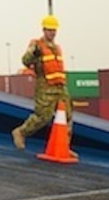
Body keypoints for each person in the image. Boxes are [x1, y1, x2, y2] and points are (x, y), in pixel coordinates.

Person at [10, 14, 76, 159]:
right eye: (50, 30)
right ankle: (21, 132)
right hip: (45, 87)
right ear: (44, 30)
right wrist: (34, 54)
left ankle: (64, 146)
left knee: (68, 116)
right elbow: (26, 61)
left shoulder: (57, 48)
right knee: (43, 117)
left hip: (60, 87)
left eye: (54, 30)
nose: (52, 33)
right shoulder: (37, 45)